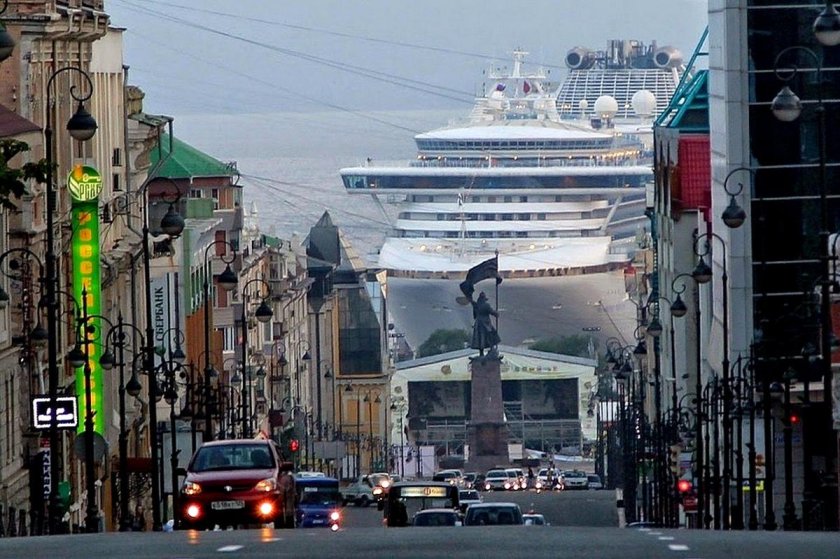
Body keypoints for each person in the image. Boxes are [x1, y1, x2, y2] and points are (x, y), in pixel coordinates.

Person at [470, 291, 500, 356]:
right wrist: (496, 313)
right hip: (485, 323)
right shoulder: (486, 305)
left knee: (480, 338)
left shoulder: (476, 306)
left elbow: (474, 316)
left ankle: (481, 353)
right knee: (491, 335)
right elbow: (492, 312)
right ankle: (491, 348)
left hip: (478, 323)